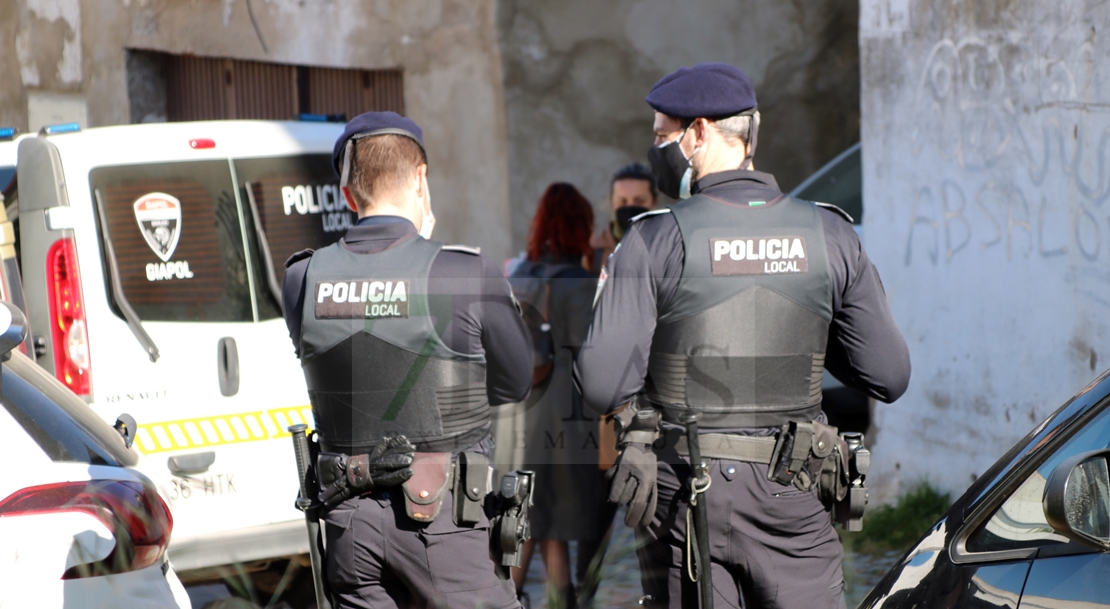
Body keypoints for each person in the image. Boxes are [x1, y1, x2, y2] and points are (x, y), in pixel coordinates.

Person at [573, 63, 911, 608]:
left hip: (687, 497)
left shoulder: (654, 240)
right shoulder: (829, 232)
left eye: (662, 135)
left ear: (699, 132)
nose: (656, 148)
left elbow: (601, 387)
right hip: (795, 490)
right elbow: (889, 375)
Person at [282, 111, 532, 609]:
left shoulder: (303, 277)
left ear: (348, 193)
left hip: (349, 527)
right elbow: (515, 381)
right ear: (421, 179)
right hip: (448, 529)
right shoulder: (461, 271)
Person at [496, 183, 600, 608]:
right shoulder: (580, 282)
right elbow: (590, 353)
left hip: (512, 417)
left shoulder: (517, 273)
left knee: (530, 522)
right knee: (550, 526)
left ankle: (506, 600)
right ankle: (559, 602)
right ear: (581, 227)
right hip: (560, 420)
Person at [589, 163, 658, 273]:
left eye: (639, 201)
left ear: (654, 201)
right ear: (612, 202)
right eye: (622, 201)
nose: (630, 207)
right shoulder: (593, 255)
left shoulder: (669, 249)